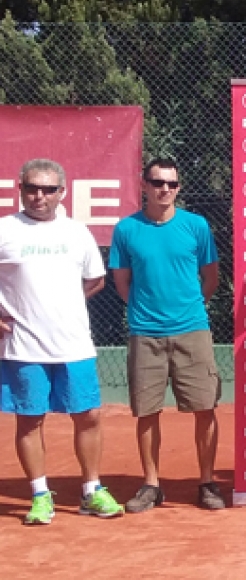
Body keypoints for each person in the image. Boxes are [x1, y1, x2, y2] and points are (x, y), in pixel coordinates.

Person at [0, 159, 123, 524]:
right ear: (20, 189)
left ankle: (92, 491)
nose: (40, 196)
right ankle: (39, 495)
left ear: (62, 193)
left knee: (89, 416)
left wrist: (60, 306)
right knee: (29, 420)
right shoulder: (4, 229)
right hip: (23, 346)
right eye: (32, 188)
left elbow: (94, 279)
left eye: (48, 189)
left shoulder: (77, 232)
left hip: (74, 344)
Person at [110, 158, 225, 512]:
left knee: (205, 408)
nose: (165, 189)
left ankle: (206, 483)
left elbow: (211, 277)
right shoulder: (126, 229)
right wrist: (147, 312)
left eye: (171, 184)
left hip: (193, 331)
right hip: (145, 334)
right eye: (157, 182)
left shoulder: (196, 226)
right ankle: (151, 485)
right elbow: (122, 282)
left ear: (178, 187)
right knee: (147, 412)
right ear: (143, 185)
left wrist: (189, 308)